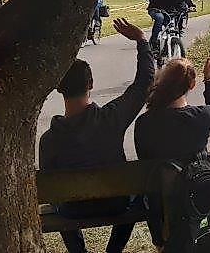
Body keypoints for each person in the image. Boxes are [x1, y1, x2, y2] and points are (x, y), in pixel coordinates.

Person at [39, 18, 155, 253]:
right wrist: (142, 41)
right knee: (138, 194)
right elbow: (144, 83)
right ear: (91, 83)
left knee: (58, 195)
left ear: (59, 88)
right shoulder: (112, 118)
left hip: (72, 209)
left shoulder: (49, 140)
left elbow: (50, 191)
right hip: (117, 204)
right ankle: (113, 250)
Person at [134, 54, 210, 250]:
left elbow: (144, 161)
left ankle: (161, 245)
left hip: (160, 208)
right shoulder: (203, 117)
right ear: (192, 85)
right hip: (198, 203)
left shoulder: (144, 124)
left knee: (152, 191)